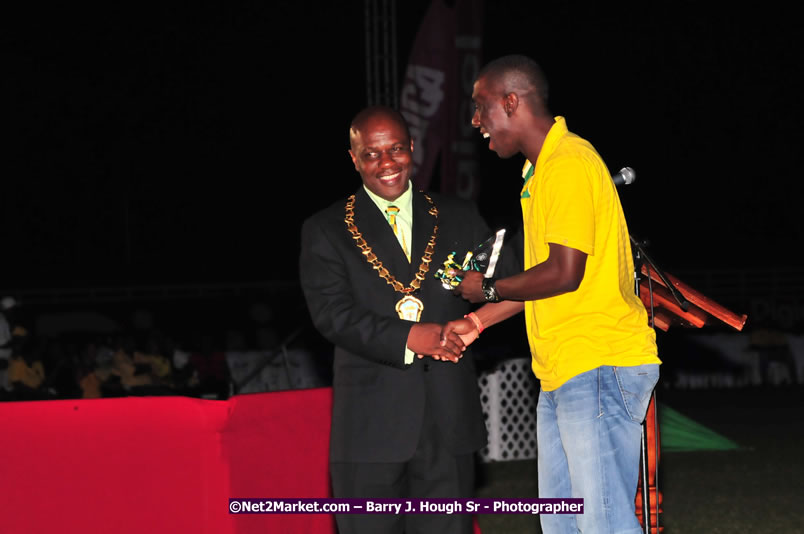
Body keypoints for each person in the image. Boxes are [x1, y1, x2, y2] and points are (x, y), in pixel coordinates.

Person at [442, 55, 662, 534]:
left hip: (598, 364)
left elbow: (564, 273)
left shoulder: (567, 164)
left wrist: (487, 288)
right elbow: (542, 279)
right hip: (564, 370)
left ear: (511, 101)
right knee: (562, 525)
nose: (475, 121)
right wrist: (478, 321)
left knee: (602, 523)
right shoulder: (537, 175)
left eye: (481, 107)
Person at [299, 105, 501, 534]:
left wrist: (479, 318)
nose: (386, 163)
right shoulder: (327, 229)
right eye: (371, 154)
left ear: (412, 148)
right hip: (370, 425)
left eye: (395, 149)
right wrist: (410, 337)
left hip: (448, 419)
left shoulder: (459, 215)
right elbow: (332, 315)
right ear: (354, 158)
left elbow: (505, 282)